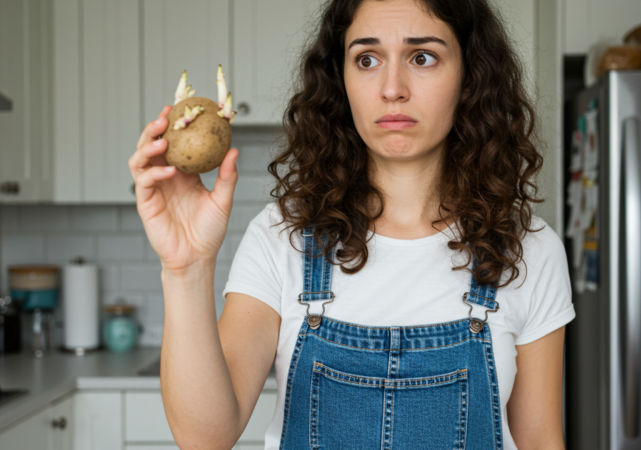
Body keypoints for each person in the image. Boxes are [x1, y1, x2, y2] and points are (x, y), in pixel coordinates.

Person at [128, 0, 575, 448]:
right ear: (341, 81)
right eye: (367, 59)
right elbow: (206, 437)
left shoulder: (528, 248)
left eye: (422, 57)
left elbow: (539, 437)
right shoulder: (282, 236)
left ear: (470, 77)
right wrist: (186, 269)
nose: (392, 88)